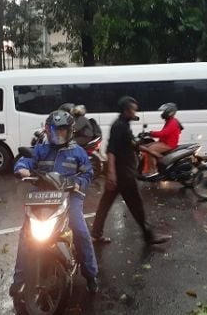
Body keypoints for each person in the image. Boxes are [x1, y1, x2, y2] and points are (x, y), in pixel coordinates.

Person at [10, 110, 99, 295]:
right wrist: (22, 169)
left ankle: (90, 274)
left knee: (80, 230)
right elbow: (25, 160)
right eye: (55, 130)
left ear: (69, 131)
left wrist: (78, 183)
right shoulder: (41, 149)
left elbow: (88, 173)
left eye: (62, 131)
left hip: (69, 195)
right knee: (26, 233)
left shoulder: (78, 152)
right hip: (41, 194)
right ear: (48, 131)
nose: (58, 134)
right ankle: (19, 280)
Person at [91, 96, 172, 245]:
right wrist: (111, 174)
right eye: (133, 110)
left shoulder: (124, 125)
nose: (135, 113)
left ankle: (96, 234)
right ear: (126, 110)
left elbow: (132, 144)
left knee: (105, 204)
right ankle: (149, 236)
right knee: (136, 205)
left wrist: (152, 152)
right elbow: (111, 150)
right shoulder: (119, 126)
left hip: (122, 173)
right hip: (123, 175)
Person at [141, 103, 182, 175]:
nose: (162, 113)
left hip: (168, 145)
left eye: (164, 111)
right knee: (144, 147)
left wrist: (150, 133)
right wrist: (146, 134)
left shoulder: (173, 122)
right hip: (163, 142)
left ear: (169, 112)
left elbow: (163, 133)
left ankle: (153, 171)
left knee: (150, 150)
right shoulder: (169, 121)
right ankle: (145, 167)